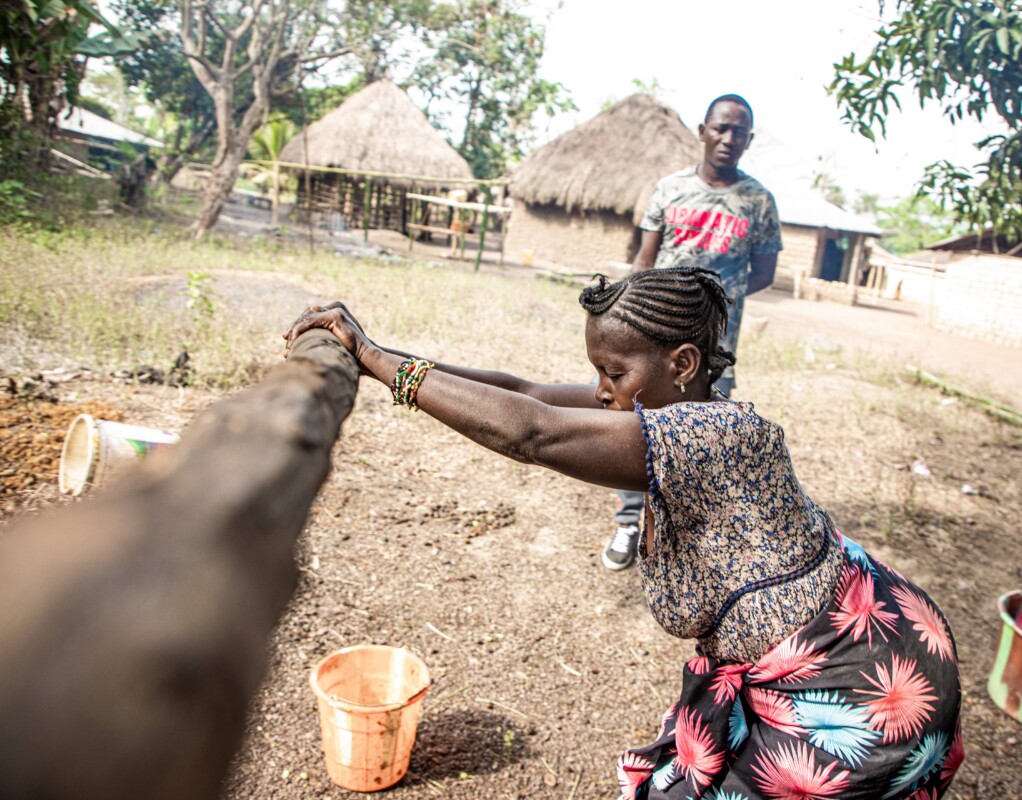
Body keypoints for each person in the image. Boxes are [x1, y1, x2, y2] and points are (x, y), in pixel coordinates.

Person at [284, 267, 963, 800]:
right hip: (846, 650)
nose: (602, 392)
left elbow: (532, 432)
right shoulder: (667, 404)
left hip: (865, 686)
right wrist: (374, 355)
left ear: (684, 364)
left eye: (615, 373)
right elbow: (527, 393)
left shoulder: (715, 435)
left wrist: (376, 359)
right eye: (599, 372)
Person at [603, 93, 782, 571]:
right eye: (720, 128)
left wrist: (715, 302)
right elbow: (645, 259)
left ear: (749, 139)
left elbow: (763, 272)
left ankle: (680, 532)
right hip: (656, 335)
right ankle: (628, 521)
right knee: (636, 418)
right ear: (702, 131)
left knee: (702, 429)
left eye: (739, 131)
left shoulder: (759, 201)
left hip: (715, 346)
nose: (728, 138)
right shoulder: (669, 189)